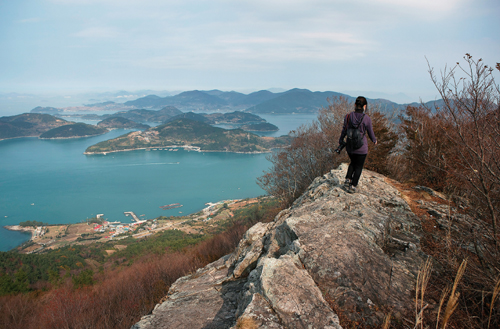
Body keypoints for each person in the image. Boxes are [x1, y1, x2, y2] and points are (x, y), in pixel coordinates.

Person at [338, 96, 377, 193]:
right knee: (358, 166)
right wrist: (374, 140)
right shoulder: (366, 118)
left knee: (353, 162)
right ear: (364, 106)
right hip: (361, 147)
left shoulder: (348, 116)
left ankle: (348, 179)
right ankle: (353, 186)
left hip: (350, 147)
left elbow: (344, 130)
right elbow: (370, 132)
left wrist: (341, 140)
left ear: (355, 105)